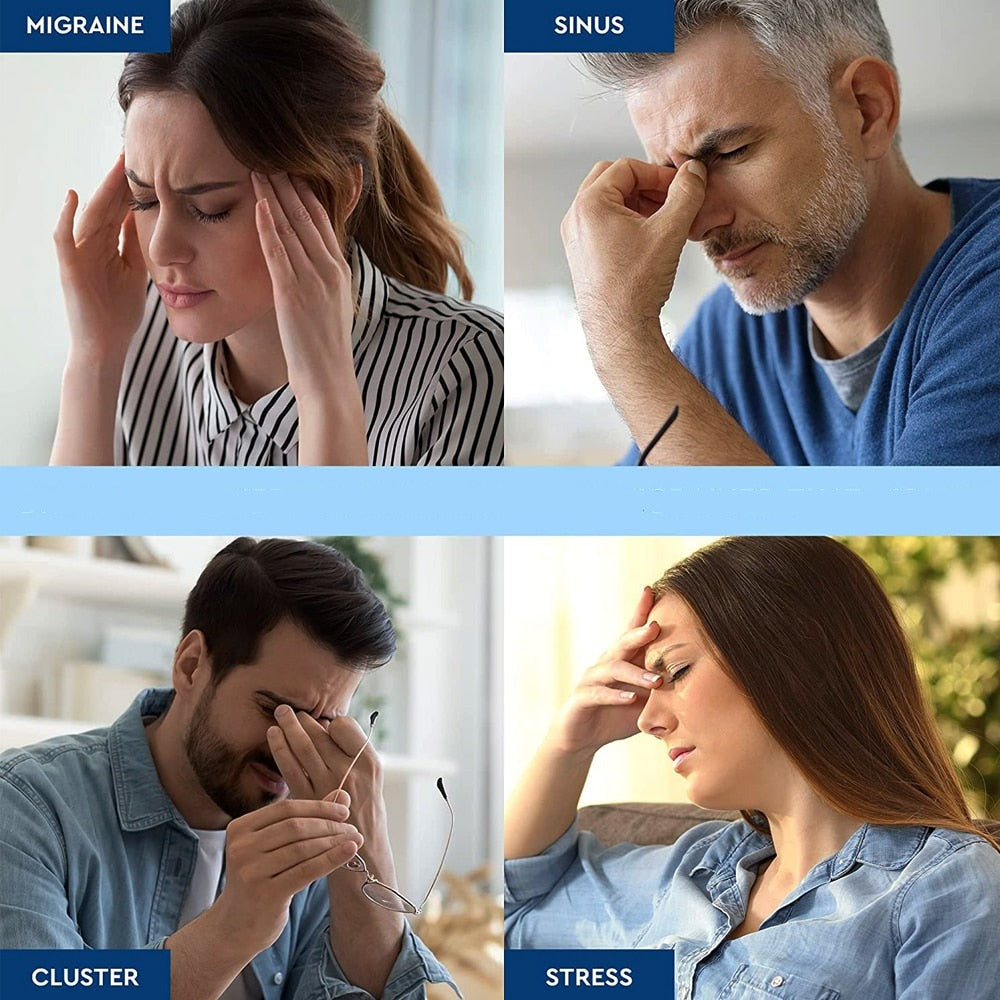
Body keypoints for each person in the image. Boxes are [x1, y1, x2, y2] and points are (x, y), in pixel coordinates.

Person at [504, 537, 1000, 997]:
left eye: (676, 671)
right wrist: (570, 745)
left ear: (794, 661)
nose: (647, 720)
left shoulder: (942, 886)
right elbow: (502, 924)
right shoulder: (692, 873)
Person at [0, 537, 457, 1000]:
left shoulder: (320, 842)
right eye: (275, 710)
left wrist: (371, 855)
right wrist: (233, 929)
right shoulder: (25, 806)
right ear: (191, 666)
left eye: (324, 724)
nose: (291, 748)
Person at [51, 0, 503, 467]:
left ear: (337, 192)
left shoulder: (468, 371)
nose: (161, 249)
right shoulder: (134, 332)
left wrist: (326, 391)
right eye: (144, 199)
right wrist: (94, 356)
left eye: (210, 209)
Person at [561, 0, 1000, 465]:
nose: (698, 224)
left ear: (868, 111)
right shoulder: (729, 337)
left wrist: (622, 335)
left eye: (731, 152)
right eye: (672, 173)